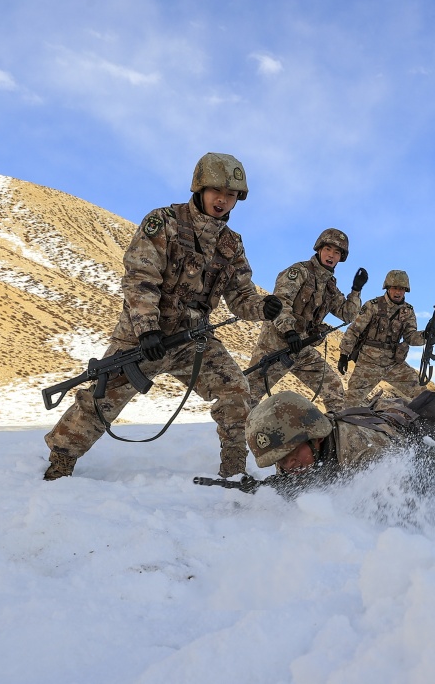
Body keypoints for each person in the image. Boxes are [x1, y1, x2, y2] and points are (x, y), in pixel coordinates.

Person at [43, 153, 283, 480]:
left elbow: (241, 297)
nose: (223, 200)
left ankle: (234, 470)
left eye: (231, 195)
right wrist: (147, 329)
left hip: (193, 339)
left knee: (236, 390)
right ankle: (61, 460)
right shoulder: (164, 222)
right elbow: (140, 277)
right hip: (144, 337)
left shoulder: (232, 244)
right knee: (102, 398)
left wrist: (262, 307)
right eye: (217, 191)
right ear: (200, 188)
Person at [244, 385, 435, 497]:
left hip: (415, 451)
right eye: (281, 461)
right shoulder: (294, 449)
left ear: (316, 438)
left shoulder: (365, 452)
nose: (288, 465)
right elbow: (296, 481)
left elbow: (391, 510)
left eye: (292, 456)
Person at [244, 228, 367, 412]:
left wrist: (356, 290)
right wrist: (289, 331)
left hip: (302, 348)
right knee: (247, 397)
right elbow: (280, 302)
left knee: (334, 389)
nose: (331, 255)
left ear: (341, 258)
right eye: (328, 249)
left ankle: (336, 429)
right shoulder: (299, 271)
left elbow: (347, 315)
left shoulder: (330, 287)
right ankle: (232, 429)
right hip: (276, 345)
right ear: (319, 249)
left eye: (337, 252)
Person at [337, 269, 435, 406]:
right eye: (394, 288)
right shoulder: (373, 305)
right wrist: (344, 355)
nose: (398, 292)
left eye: (401, 289)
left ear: (406, 290)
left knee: (422, 394)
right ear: (387, 288)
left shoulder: (408, 311)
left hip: (393, 362)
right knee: (350, 402)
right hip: (368, 362)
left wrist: (425, 335)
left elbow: (410, 337)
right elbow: (354, 330)